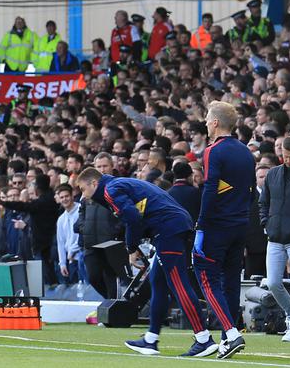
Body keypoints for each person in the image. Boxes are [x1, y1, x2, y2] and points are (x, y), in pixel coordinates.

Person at [75, 167, 218, 358]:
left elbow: (132, 217)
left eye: (83, 190)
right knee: (157, 283)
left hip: (168, 230)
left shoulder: (110, 190)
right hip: (171, 226)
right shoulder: (117, 184)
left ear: (94, 183)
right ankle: (151, 339)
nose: (83, 197)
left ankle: (203, 339)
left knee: (178, 284)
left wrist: (131, 247)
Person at [192, 101, 253, 358]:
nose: (206, 122)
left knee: (207, 278)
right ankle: (229, 335)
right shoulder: (246, 152)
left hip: (217, 225)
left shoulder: (213, 151)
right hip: (240, 224)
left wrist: (201, 225)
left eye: (207, 118)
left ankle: (230, 332)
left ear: (215, 122)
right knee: (230, 282)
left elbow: (210, 188)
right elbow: (249, 190)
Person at [79, 153, 122, 300]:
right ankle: (109, 303)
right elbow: (81, 214)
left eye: (105, 166)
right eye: (99, 166)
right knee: (93, 277)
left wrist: (115, 231)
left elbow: (125, 213)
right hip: (90, 243)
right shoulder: (87, 190)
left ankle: (113, 309)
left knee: (111, 277)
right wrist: (83, 228)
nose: (102, 169)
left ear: (112, 166)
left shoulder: (118, 186)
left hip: (110, 242)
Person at [54, 183, 82, 285]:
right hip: (71, 261)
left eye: (67, 196)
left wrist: (73, 250)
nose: (64, 199)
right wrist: (62, 264)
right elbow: (60, 243)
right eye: (62, 197)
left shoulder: (81, 210)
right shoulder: (61, 219)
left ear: (72, 196)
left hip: (82, 256)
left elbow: (82, 235)